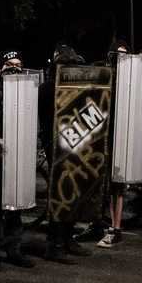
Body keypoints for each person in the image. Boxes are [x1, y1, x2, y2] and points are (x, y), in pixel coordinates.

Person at [0, 50, 34, 270]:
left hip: (18, 154)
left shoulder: (26, 91)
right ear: (0, 68)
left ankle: (13, 249)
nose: (14, 68)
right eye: (9, 64)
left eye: (18, 64)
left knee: (16, 204)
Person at [40, 45, 94, 261]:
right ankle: (54, 244)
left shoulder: (77, 88)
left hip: (76, 144)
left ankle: (68, 237)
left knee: (74, 194)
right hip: (56, 147)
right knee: (60, 196)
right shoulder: (47, 88)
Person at [97, 39, 130, 249]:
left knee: (117, 185)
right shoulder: (105, 76)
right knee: (106, 185)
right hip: (104, 137)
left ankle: (115, 227)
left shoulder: (129, 80)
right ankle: (107, 225)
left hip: (122, 137)